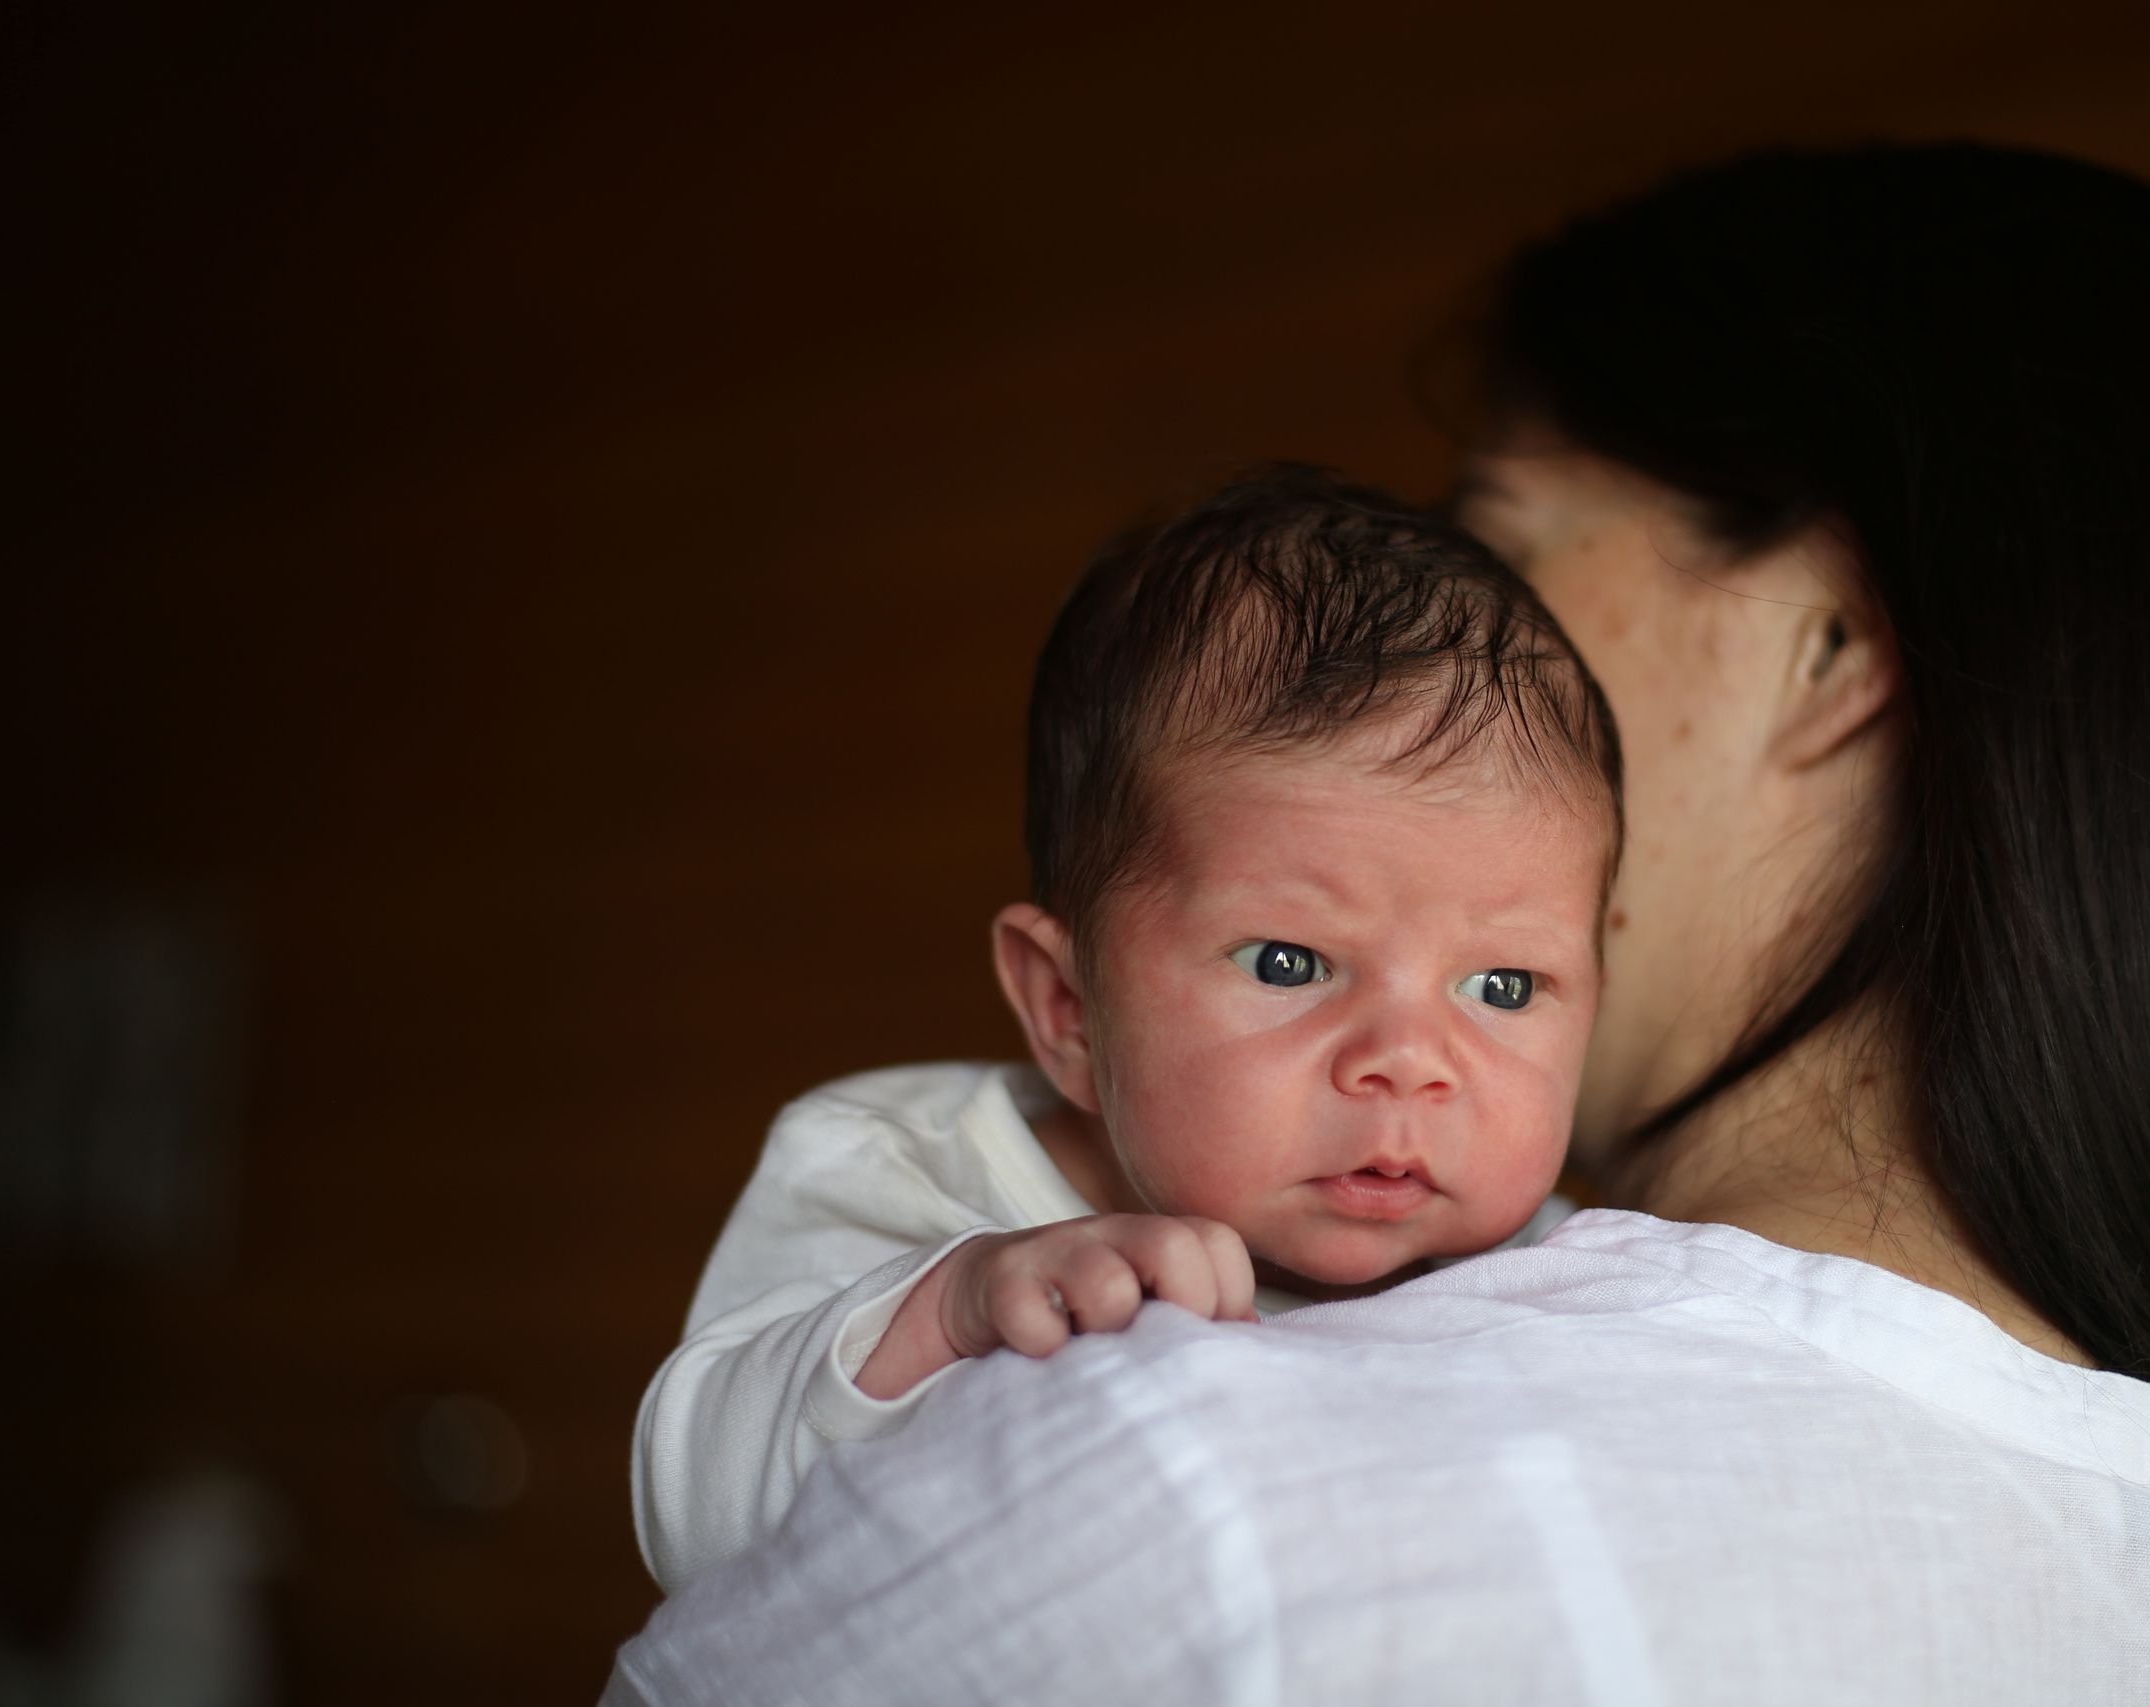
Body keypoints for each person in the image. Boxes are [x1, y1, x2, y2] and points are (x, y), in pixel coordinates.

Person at [604, 144, 2150, 1704]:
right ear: (1061, 998)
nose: (1424, 701)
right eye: (1292, 959)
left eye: (1494, 552)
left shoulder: (1180, 1491)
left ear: (1830, 642)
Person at [631, 468, 1619, 1593]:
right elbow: (697, 1525)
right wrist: (955, 1307)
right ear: (1070, 1010)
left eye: (1502, 985)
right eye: (1289, 963)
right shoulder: (896, 1171)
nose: (1407, 1060)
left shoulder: (1563, 1278)